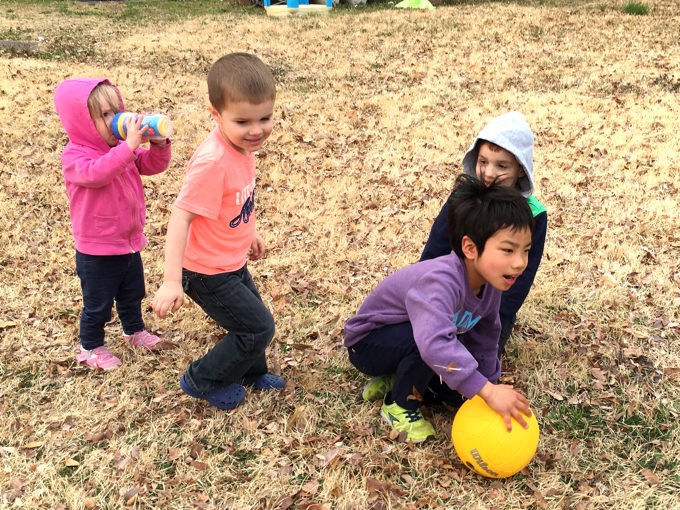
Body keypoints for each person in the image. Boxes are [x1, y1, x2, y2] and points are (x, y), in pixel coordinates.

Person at [344, 175, 534, 442]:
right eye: (508, 250)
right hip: (367, 344)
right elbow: (433, 344)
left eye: (525, 250)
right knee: (435, 342)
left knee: (443, 350)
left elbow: (486, 337)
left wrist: (490, 384)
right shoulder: (440, 282)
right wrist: (488, 393)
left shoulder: (490, 283)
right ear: (469, 247)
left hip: (406, 337)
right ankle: (399, 405)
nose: (519, 262)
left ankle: (397, 375)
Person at [152, 53, 284, 411]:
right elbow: (180, 217)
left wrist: (248, 233)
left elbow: (238, 201)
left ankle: (250, 373)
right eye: (243, 121)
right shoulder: (213, 162)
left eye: (265, 118)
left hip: (231, 259)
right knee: (257, 327)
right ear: (216, 115)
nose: (257, 130)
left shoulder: (242, 145)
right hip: (206, 271)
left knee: (252, 315)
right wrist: (171, 280)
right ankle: (202, 379)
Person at [53, 78, 172, 370]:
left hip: (129, 241)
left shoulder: (122, 147)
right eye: (104, 115)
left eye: (115, 110)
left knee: (132, 293)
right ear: (81, 121)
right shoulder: (75, 156)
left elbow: (153, 165)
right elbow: (98, 174)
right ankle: (90, 347)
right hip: (96, 249)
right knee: (98, 304)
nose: (115, 118)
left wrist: (158, 144)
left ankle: (134, 330)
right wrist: (128, 146)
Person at [420, 111, 547, 357]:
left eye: (501, 166)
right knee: (426, 346)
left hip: (492, 308)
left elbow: (524, 272)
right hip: (448, 294)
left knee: (472, 363)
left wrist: (501, 317)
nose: (489, 173)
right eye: (483, 161)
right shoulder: (463, 200)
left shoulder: (534, 214)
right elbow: (436, 247)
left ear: (521, 169)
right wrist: (424, 294)